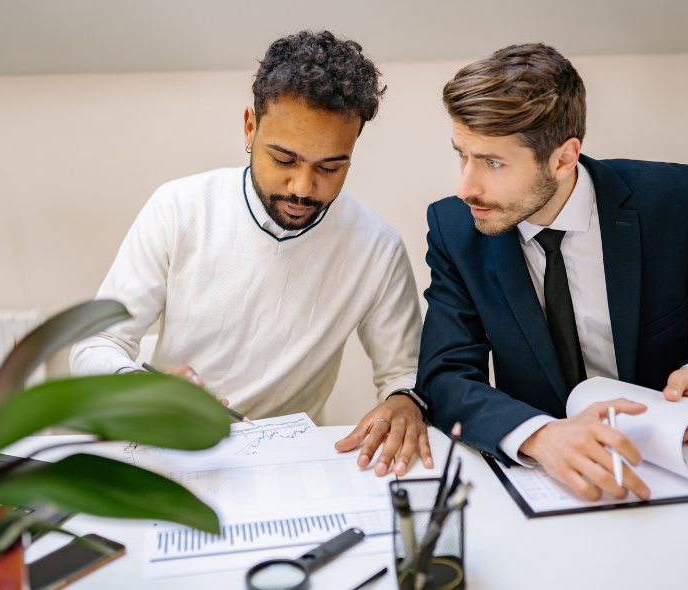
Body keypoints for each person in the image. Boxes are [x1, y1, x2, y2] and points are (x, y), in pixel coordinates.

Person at [416, 43, 688, 500]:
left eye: (492, 162)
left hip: (670, 462)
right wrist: (540, 436)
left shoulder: (676, 200)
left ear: (564, 158)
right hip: (542, 474)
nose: (466, 187)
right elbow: (445, 375)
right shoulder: (454, 228)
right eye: (462, 154)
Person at [71, 31, 431, 477]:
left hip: (288, 466)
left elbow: (405, 374)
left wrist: (403, 403)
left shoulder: (377, 246)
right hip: (166, 450)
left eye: (330, 167)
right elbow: (96, 343)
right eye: (284, 160)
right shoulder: (179, 208)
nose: (302, 187)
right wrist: (141, 387)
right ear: (249, 127)